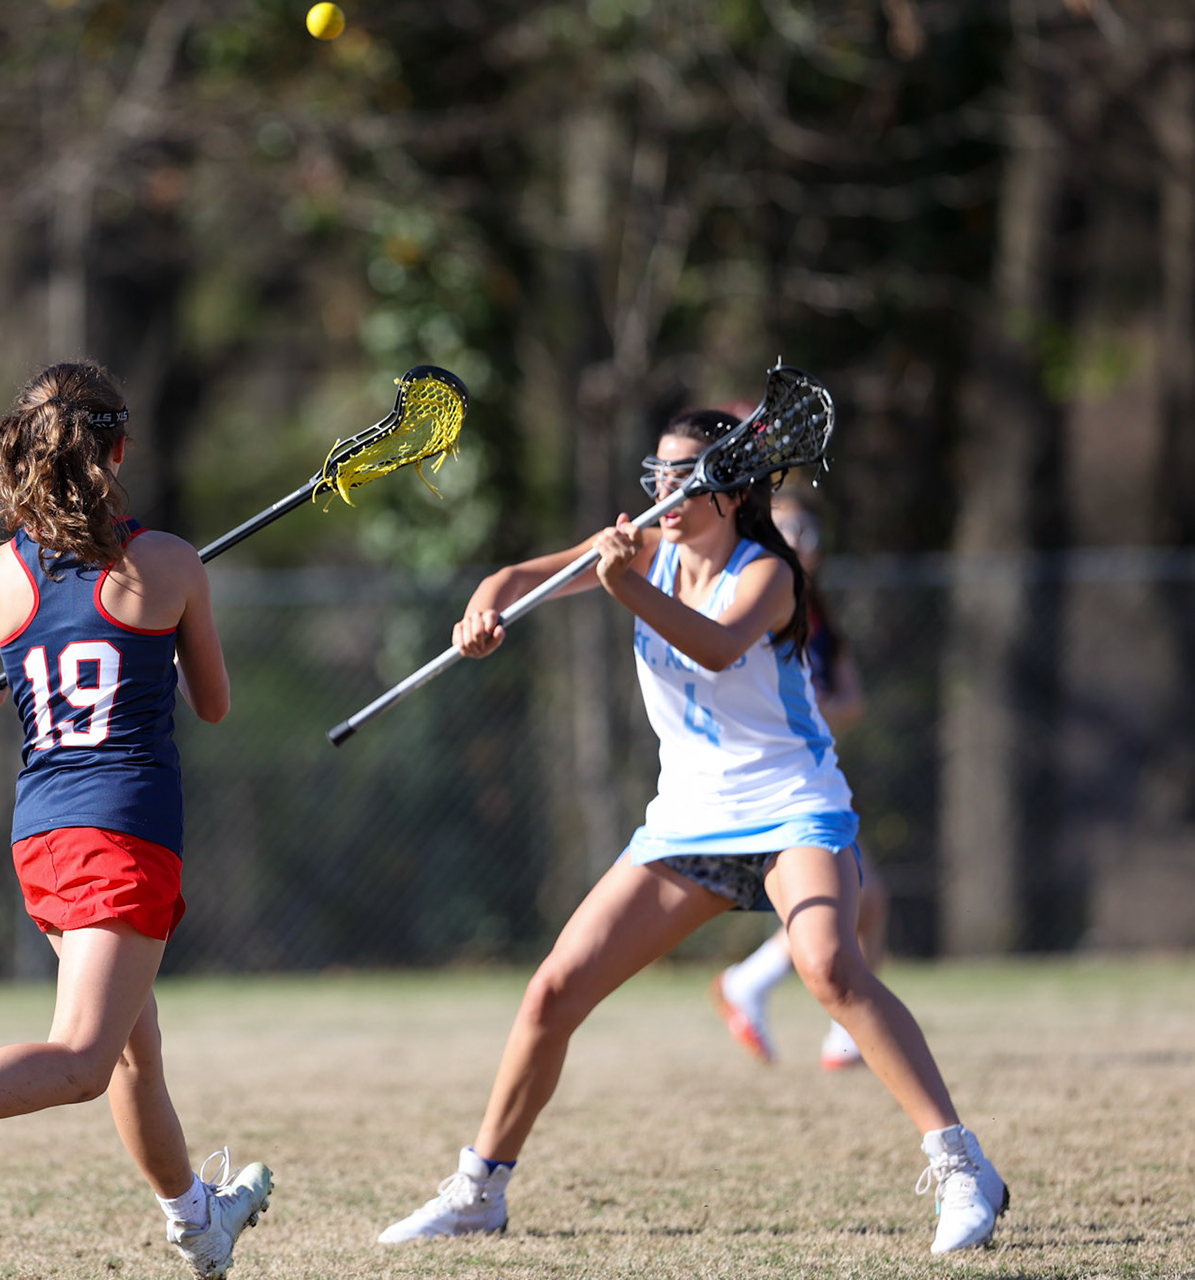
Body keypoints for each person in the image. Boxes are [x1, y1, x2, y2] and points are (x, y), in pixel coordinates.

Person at [376, 408, 1008, 1256]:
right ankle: (479, 1189)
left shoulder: (771, 575)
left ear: (734, 491)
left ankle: (964, 1168)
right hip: (688, 823)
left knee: (828, 964)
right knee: (553, 993)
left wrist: (624, 585)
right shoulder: (640, 550)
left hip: (792, 806)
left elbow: (716, 645)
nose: (666, 493)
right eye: (661, 475)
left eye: (688, 477)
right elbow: (514, 576)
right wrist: (484, 614)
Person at [0, 361, 272, 1279]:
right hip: (125, 832)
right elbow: (215, 704)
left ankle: (198, 1220)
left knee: (132, 1057)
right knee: (85, 1057)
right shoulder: (169, 562)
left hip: (42, 838)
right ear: (118, 451)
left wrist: (18, 673)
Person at [707, 489, 890, 1071]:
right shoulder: (751, 600)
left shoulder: (819, 614)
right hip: (768, 787)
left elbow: (851, 701)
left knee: (861, 903)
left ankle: (761, 989)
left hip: (811, 780)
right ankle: (794, 1004)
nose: (802, 546)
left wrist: (814, 706)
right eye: (790, 532)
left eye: (811, 535)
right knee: (854, 901)